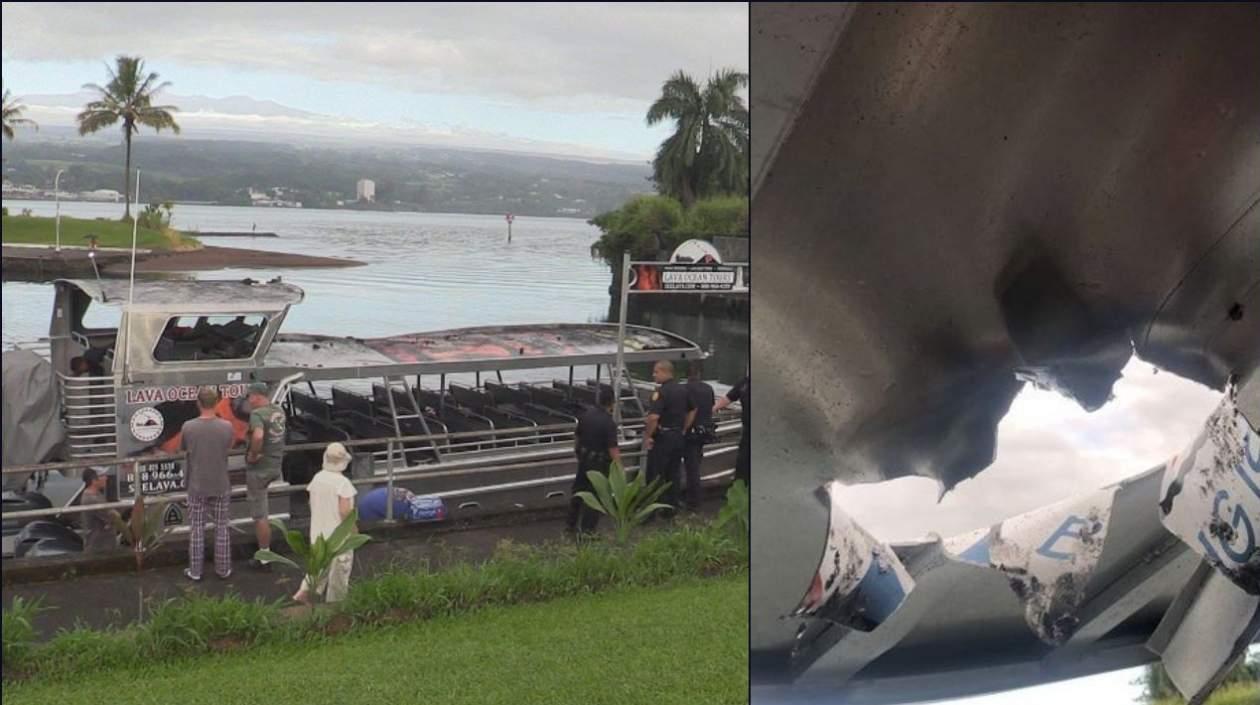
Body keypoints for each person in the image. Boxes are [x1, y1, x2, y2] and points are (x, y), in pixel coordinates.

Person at [180, 386, 235, 581]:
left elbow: (184, 449)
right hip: (221, 482)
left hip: (196, 484)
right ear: (216, 402)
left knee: (196, 529)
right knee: (222, 528)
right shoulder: (227, 426)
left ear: (198, 403)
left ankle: (195, 571)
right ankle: (223, 569)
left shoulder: (188, 426)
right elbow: (229, 446)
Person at [293, 442, 358, 605]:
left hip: (318, 531)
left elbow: (311, 502)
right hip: (338, 536)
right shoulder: (343, 483)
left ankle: (304, 590)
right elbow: (345, 512)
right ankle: (335, 604)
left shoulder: (318, 478)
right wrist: (354, 530)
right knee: (339, 572)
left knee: (319, 565)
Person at [567, 388, 622, 534]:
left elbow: (577, 436)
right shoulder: (609, 423)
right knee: (595, 496)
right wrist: (619, 467)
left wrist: (577, 453)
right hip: (599, 464)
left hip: (584, 460)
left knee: (578, 492)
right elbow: (613, 448)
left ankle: (570, 525)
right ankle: (588, 531)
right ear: (612, 403)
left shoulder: (586, 415)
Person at [244, 382, 286, 569]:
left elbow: (259, 436)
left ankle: (264, 556)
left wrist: (253, 454)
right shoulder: (278, 410)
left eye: (249, 396)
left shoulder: (257, 415)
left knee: (260, 515)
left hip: (260, 469)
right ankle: (265, 551)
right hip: (276, 465)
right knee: (264, 511)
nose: (248, 400)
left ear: (256, 396)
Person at [644, 360, 694, 510]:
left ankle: (651, 511)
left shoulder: (661, 392)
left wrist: (648, 436)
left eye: (656, 372)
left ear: (666, 372)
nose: (654, 375)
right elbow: (692, 410)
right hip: (678, 437)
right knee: (673, 474)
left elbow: (653, 417)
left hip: (663, 438)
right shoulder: (683, 390)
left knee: (654, 475)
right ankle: (671, 509)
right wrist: (684, 428)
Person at [682, 361, 717, 511]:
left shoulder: (684, 389)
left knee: (691, 468)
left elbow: (683, 410)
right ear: (700, 374)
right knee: (696, 463)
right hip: (704, 431)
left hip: (690, 432)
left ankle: (693, 501)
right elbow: (711, 407)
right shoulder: (709, 389)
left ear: (687, 375)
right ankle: (694, 497)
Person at [714, 375, 750, 485]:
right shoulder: (744, 383)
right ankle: (740, 486)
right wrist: (714, 408)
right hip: (748, 430)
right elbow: (729, 398)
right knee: (742, 462)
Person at [78, 467, 120, 553]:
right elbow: (114, 516)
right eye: (102, 475)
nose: (106, 478)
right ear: (94, 480)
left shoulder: (97, 494)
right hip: (98, 547)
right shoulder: (91, 499)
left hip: (104, 545)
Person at [357, 486, 446, 523]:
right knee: (413, 511)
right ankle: (436, 510)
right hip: (380, 503)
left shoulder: (365, 507)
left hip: (373, 504)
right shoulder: (400, 498)